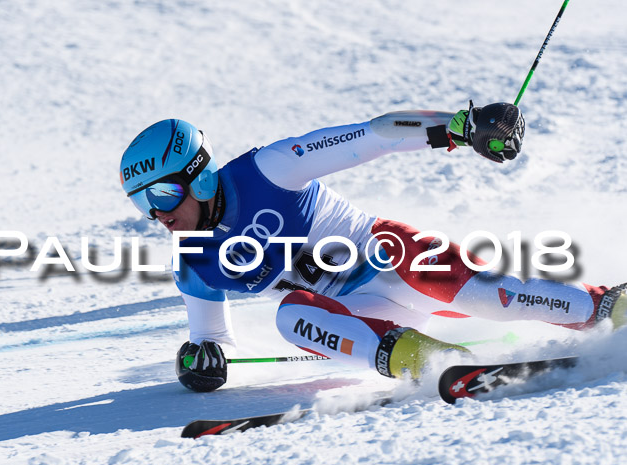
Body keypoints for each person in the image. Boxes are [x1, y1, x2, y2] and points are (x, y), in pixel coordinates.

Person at [119, 102, 627, 392]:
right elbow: (214, 339)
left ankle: (607, 306)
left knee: (483, 298)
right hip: (363, 313)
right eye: (143, 204)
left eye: (163, 193)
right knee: (290, 315)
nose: (159, 215)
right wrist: (202, 359)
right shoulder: (192, 261)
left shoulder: (269, 169)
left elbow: (373, 136)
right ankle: (435, 363)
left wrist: (462, 128)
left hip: (396, 259)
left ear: (200, 178)